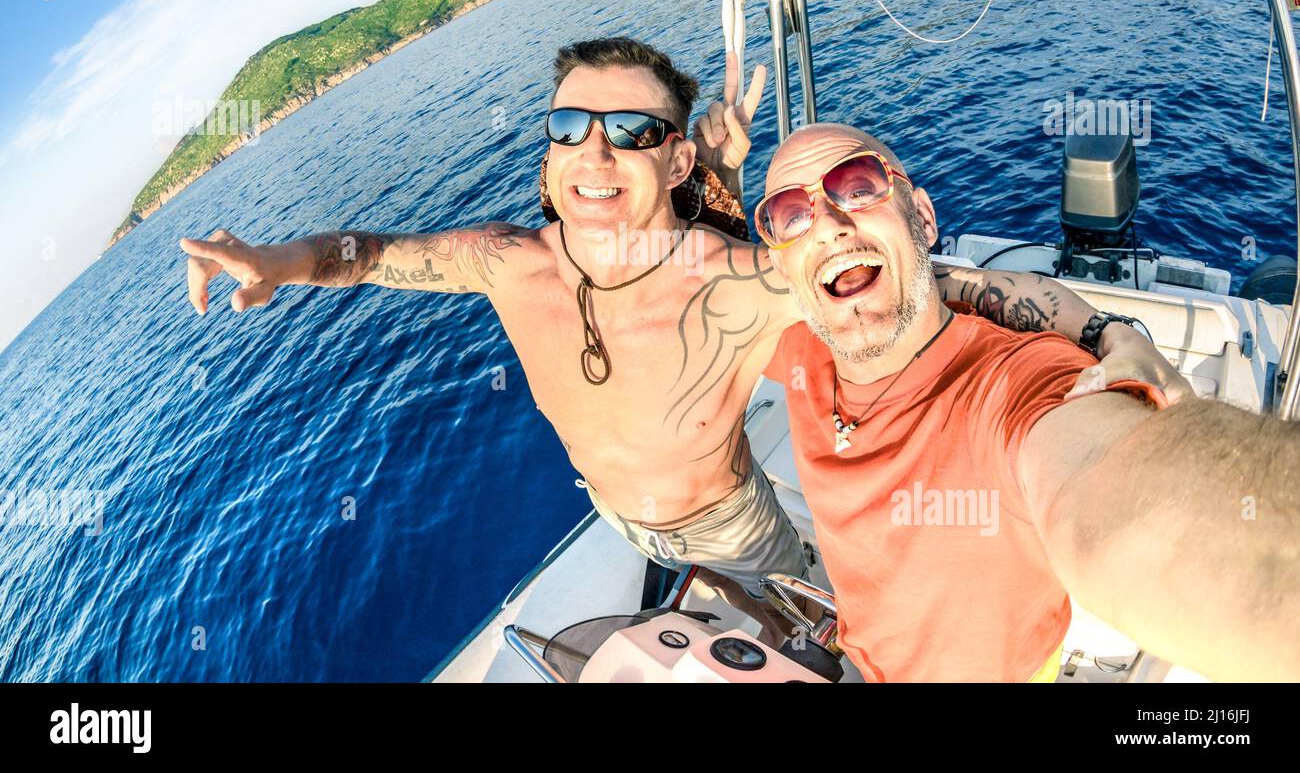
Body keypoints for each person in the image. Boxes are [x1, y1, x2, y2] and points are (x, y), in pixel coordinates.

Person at [178, 37, 1183, 641]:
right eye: (570, 125)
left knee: (828, 623)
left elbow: (952, 285)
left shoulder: (739, 284)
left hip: (729, 526)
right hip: (616, 518)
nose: (592, 150)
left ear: (676, 158)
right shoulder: (502, 258)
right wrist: (274, 259)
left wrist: (1106, 328)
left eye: (629, 131)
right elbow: (366, 253)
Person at [758, 121, 1300, 682]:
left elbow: (1116, 482)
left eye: (858, 184)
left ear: (922, 218)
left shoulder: (1015, 381)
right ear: (780, 265)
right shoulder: (796, 341)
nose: (826, 225)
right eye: (791, 215)